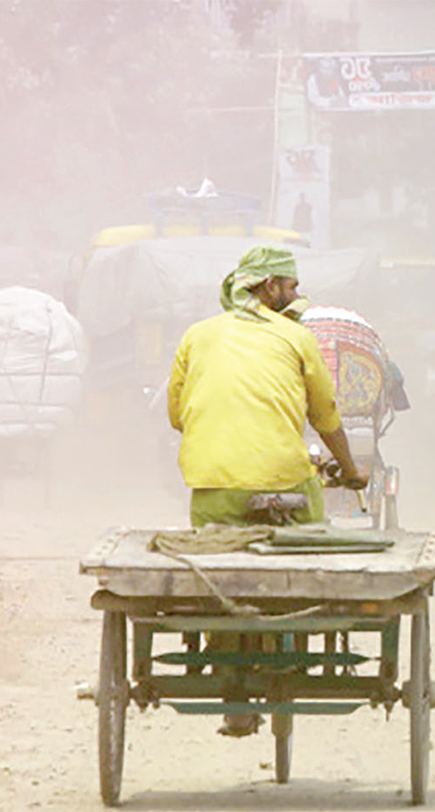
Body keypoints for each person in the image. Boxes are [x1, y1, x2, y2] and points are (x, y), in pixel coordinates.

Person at [167, 245, 369, 736]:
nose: (296, 293)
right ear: (269, 286)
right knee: (306, 556)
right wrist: (351, 470)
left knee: (218, 576)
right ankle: (291, 653)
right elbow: (325, 416)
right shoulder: (297, 337)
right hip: (285, 478)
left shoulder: (197, 335)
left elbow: (176, 415)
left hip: (213, 481)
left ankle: (230, 683)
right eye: (291, 285)